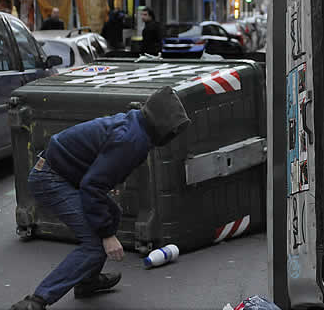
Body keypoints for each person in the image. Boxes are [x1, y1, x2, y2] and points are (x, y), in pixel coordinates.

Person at [10, 86, 190, 310]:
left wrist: (106, 186)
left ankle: (87, 280)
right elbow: (92, 185)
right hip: (50, 179)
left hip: (58, 171)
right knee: (95, 244)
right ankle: (35, 301)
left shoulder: (135, 123)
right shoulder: (133, 140)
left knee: (112, 212)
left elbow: (100, 168)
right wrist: (107, 236)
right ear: (162, 125)